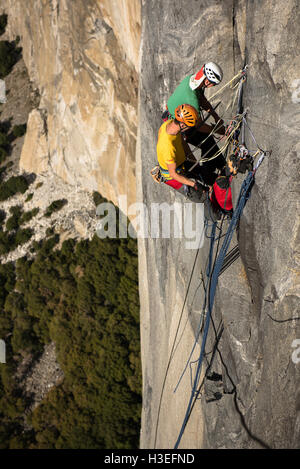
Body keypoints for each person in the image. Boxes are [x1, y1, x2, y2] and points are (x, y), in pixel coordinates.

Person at [162, 62, 226, 187]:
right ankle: (211, 177)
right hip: (181, 124)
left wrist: (215, 115)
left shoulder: (191, 80)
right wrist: (217, 130)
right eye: (213, 84)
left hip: (174, 117)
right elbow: (198, 126)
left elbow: (202, 99)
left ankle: (219, 165)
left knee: (207, 140)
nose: (212, 86)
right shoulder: (192, 101)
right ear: (207, 82)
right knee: (206, 142)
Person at [156, 103, 210, 204]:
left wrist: (194, 160)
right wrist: (193, 184)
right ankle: (216, 215)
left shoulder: (169, 124)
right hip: (172, 176)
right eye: (189, 126)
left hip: (181, 163)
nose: (190, 128)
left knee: (206, 175)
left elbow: (182, 142)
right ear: (182, 124)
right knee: (201, 197)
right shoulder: (168, 146)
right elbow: (173, 174)